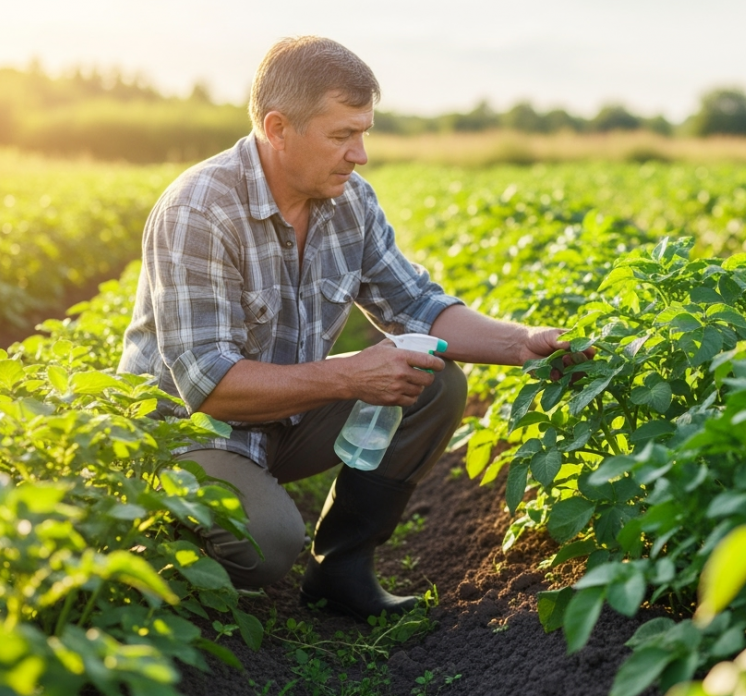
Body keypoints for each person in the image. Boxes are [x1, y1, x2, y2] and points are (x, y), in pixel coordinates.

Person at [118, 36, 586, 619]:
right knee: (268, 544)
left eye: (364, 132)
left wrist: (522, 343)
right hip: (184, 434)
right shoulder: (200, 209)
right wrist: (348, 376)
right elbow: (208, 386)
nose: (360, 154)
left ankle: (340, 568)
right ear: (277, 127)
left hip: (280, 417)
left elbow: (415, 302)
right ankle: (154, 542)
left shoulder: (349, 202)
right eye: (342, 135)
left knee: (435, 383)